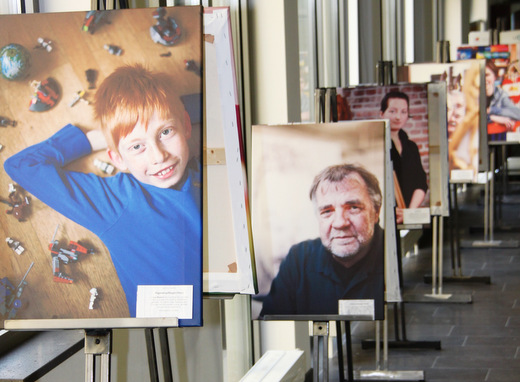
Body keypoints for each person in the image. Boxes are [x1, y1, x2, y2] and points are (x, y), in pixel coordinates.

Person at [4, 64, 202, 325]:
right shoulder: (115, 201)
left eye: (166, 132)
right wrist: (104, 137)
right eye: (137, 146)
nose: (159, 156)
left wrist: (139, 125)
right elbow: (22, 165)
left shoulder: (206, 168)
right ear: (117, 158)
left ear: (186, 125)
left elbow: (218, 102)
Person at [260, 164, 385, 320]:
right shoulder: (298, 260)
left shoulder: (397, 255)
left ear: (376, 212)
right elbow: (270, 329)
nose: (340, 222)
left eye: (353, 207)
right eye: (327, 211)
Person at [380, 91, 428, 224]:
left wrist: (409, 213)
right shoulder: (378, 145)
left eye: (403, 112)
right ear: (382, 113)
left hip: (407, 213)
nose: (398, 117)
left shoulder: (411, 147)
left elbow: (421, 182)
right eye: (393, 111)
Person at [485, 60, 520, 140]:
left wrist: (491, 110)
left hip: (497, 137)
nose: (484, 79)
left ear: (495, 76)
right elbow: (472, 117)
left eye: (487, 75)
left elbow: (517, 113)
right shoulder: (473, 94)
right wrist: (493, 118)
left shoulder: (501, 94)